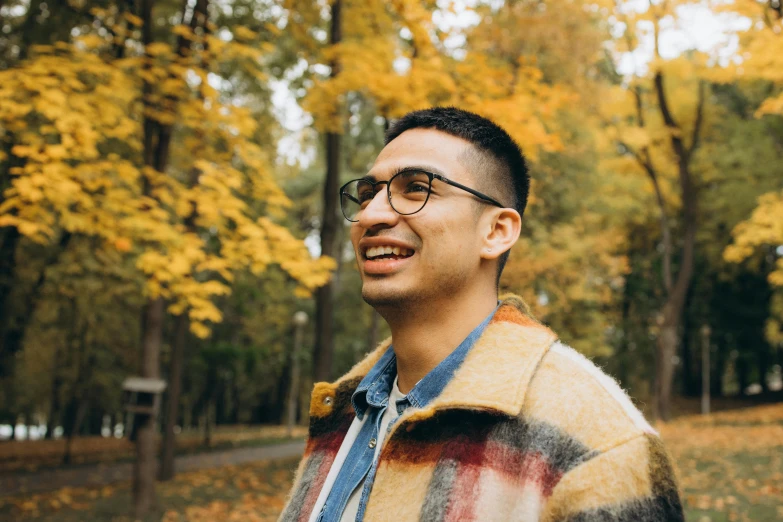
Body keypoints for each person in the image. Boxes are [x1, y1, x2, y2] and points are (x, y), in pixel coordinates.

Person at [279, 107, 683, 522]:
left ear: (496, 232)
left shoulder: (595, 442)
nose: (371, 215)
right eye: (367, 195)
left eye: (416, 188)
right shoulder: (344, 410)